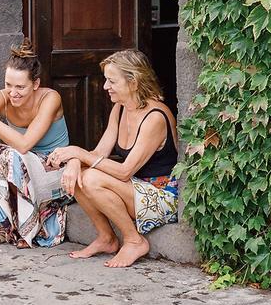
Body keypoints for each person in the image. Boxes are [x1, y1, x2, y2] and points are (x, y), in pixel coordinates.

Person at [47, 49, 178, 268]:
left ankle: (135, 241)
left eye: (111, 81)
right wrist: (75, 161)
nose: (105, 86)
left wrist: (79, 153)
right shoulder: (120, 108)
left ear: (133, 82)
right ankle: (106, 238)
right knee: (80, 175)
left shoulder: (155, 117)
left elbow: (125, 171)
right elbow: (98, 154)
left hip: (162, 195)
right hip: (135, 189)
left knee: (91, 179)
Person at [0, 40, 71, 248]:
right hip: (21, 166)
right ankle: (4, 223)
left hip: (53, 167)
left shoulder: (50, 98)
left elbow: (25, 144)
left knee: (12, 156)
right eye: (8, 85)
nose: (12, 92)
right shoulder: (2, 98)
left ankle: (29, 229)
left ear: (35, 84)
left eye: (20, 87)